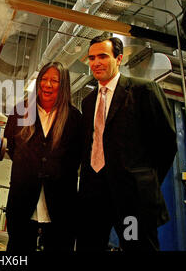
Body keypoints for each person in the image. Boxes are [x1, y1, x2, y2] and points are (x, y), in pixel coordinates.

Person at [76, 35, 177, 251]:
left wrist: (143, 181)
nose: (96, 63)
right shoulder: (88, 101)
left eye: (103, 56)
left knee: (135, 246)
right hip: (94, 196)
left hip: (132, 201)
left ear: (119, 58)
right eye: (92, 58)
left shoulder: (144, 91)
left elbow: (166, 143)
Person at [4, 61, 82, 251]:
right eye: (44, 79)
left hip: (61, 205)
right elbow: (12, 149)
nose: (47, 85)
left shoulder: (75, 118)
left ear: (63, 85)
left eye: (54, 80)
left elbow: (77, 157)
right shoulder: (19, 112)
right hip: (22, 201)